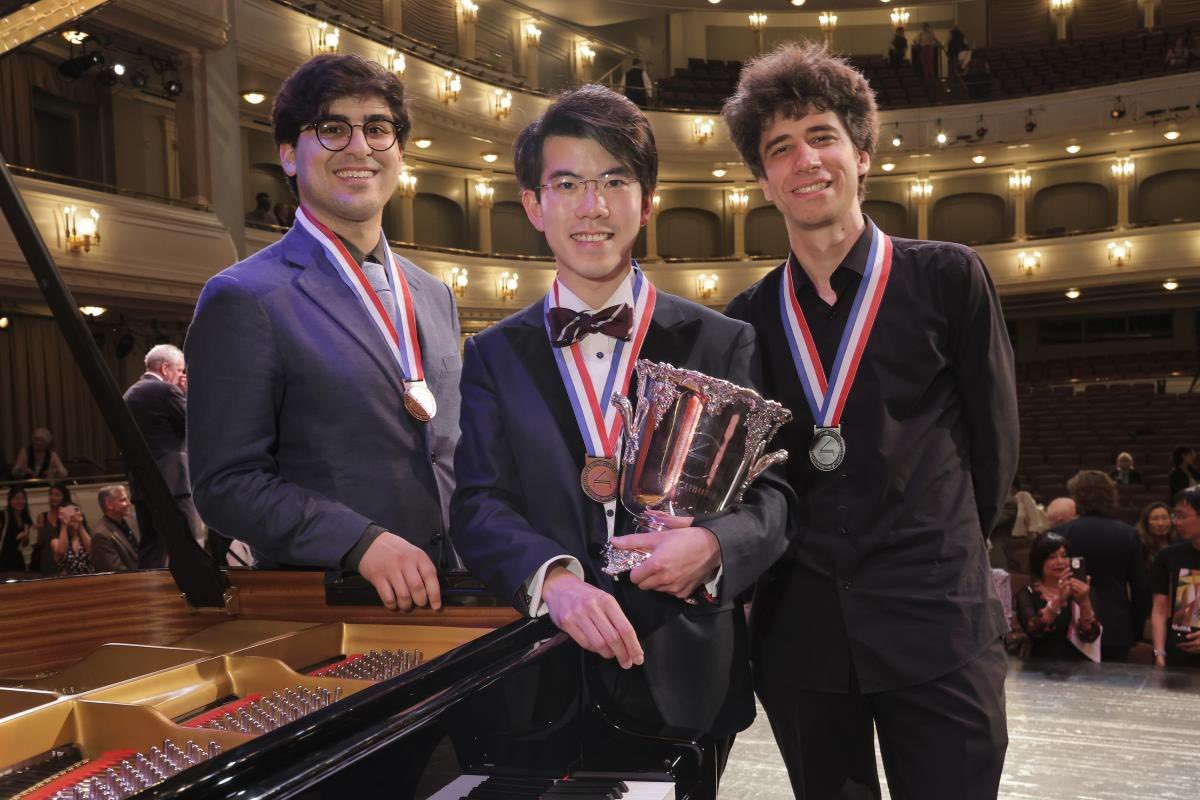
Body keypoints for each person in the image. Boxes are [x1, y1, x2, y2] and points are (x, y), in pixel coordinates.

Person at [450, 84, 792, 797]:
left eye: (614, 182)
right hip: (541, 671)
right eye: (567, 184)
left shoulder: (722, 340)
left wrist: (714, 547)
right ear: (534, 205)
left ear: (647, 201)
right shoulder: (492, 354)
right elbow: (479, 504)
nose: (592, 206)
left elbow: (772, 500)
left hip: (687, 671)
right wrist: (555, 580)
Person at [721, 42, 1014, 799]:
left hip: (937, 622)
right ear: (763, 182)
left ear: (862, 155)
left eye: (821, 136)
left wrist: (941, 555)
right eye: (780, 148)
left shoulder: (948, 276)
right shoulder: (746, 321)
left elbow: (995, 449)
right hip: (803, 636)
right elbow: (752, 481)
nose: (805, 160)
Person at [187, 53, 462, 614]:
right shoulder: (244, 296)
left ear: (400, 152)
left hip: (461, 595)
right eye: (333, 129)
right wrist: (358, 542)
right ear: (289, 154)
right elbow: (227, 484)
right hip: (339, 607)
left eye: (378, 129)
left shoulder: (434, 294)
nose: (359, 147)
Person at [124, 344, 206, 567]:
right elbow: (197, 426)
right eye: (179, 370)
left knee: (152, 550)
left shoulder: (130, 393)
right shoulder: (165, 391)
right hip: (173, 485)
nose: (181, 376)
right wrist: (188, 394)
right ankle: (194, 589)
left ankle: (149, 590)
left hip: (142, 485)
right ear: (164, 367)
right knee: (188, 545)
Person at [1056, 470, 1148, 662]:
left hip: (1070, 626)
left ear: (1077, 498)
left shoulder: (1060, 533)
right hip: (1116, 627)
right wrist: (1136, 630)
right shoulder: (1128, 534)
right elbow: (1140, 588)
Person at [1015, 532, 1100, 661]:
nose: (1060, 562)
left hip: (1080, 666)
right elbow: (1034, 631)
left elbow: (1090, 635)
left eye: (1064, 556)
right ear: (1039, 561)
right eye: (1052, 557)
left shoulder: (1083, 591)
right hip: (1039, 665)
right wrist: (1058, 600)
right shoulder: (1027, 593)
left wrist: (1084, 602)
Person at [1150, 486, 1200, 669]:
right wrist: (1159, 653)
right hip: (1179, 654)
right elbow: (1159, 608)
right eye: (1175, 515)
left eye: (1182, 516)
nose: (1176, 522)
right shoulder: (1168, 557)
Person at [90, 485, 141, 572]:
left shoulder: (131, 520)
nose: (128, 503)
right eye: (123, 500)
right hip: (131, 579)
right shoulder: (101, 535)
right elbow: (115, 571)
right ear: (108, 504)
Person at [32, 482, 75, 575]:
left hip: (67, 558)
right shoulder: (42, 516)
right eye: (51, 494)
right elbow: (40, 542)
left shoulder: (68, 513)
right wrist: (40, 528)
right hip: (47, 559)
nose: (53, 497)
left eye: (57, 495)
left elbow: (74, 536)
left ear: (64, 497)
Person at [50, 504, 92, 575]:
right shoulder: (55, 541)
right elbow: (62, 551)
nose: (72, 515)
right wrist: (64, 524)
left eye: (75, 511)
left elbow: (91, 550)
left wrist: (80, 525)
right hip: (67, 580)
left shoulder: (86, 537)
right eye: (68, 512)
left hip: (89, 579)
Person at [1137, 501, 1175, 574]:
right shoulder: (1139, 547)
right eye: (1154, 519)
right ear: (1146, 523)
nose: (1160, 523)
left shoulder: (1181, 543)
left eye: (1165, 518)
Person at [1, 487, 33, 573]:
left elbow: (24, 544)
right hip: (3, 556)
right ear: (10, 500)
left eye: (23, 499)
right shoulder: (3, 515)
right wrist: (16, 537)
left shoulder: (26, 517)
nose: (20, 501)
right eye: (17, 498)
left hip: (17, 556)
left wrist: (25, 538)